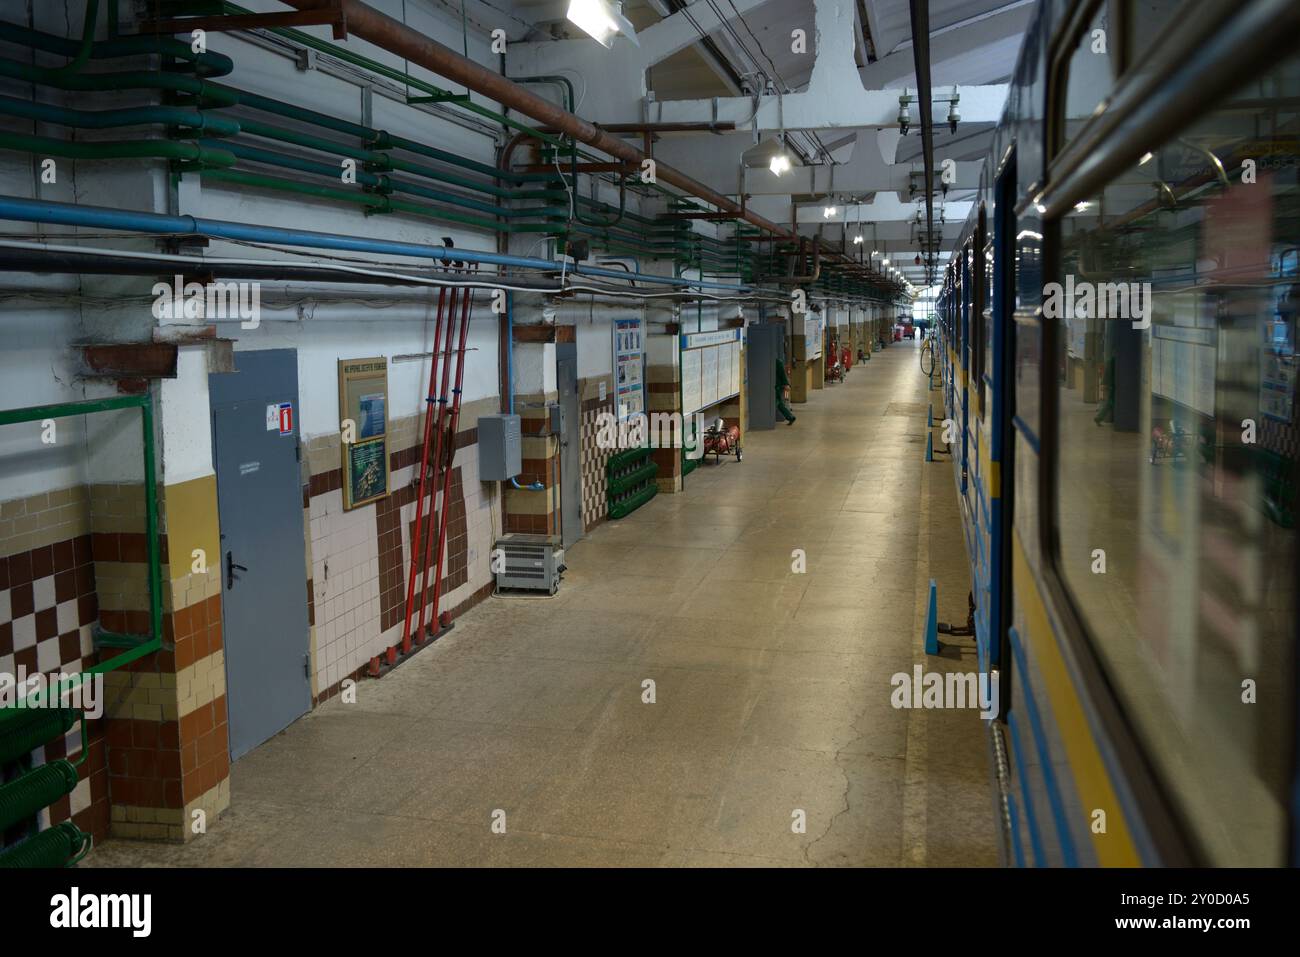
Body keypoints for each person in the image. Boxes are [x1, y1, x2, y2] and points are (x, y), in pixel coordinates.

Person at [775, 357, 796, 425]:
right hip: (777, 385)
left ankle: (790, 416)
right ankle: (790, 417)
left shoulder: (777, 362)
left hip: (777, 386)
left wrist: (786, 384)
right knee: (778, 402)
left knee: (777, 402)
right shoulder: (776, 362)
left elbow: (782, 374)